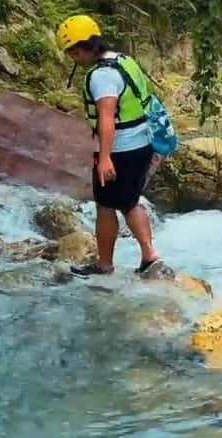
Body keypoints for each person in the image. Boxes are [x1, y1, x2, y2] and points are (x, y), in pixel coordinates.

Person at [55, 14, 163, 277]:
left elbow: (106, 116)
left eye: (74, 52)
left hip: (120, 150)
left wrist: (104, 158)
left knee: (107, 205)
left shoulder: (102, 76)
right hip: (143, 142)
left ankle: (108, 264)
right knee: (129, 201)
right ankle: (148, 257)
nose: (74, 58)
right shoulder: (124, 60)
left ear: (84, 47)